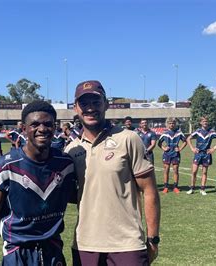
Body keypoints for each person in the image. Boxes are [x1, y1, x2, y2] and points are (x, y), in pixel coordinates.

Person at [65, 80, 160, 265]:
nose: (90, 108)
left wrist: (153, 238)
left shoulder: (128, 139)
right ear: (76, 108)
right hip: (85, 244)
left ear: (106, 104)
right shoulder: (71, 149)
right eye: (84, 103)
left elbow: (149, 191)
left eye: (96, 102)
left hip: (127, 244)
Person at [0, 101, 77, 266]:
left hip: (53, 249)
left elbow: (75, 195)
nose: (42, 129)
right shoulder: (7, 165)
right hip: (18, 251)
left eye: (48, 124)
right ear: (24, 129)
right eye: (35, 124)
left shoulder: (65, 164)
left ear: (54, 128)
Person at [185, 117, 216, 195]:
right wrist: (192, 148)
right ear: (201, 123)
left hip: (206, 154)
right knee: (194, 171)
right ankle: (192, 188)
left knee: (204, 172)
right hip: (198, 154)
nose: (205, 122)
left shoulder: (211, 132)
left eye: (206, 121)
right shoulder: (198, 131)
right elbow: (188, 138)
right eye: (203, 121)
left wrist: (214, 148)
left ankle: (202, 189)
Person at [158, 117, 187, 194]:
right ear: (167, 124)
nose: (171, 125)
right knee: (166, 170)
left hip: (175, 154)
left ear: (175, 124)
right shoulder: (164, 133)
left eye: (173, 123)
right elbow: (159, 143)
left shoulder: (179, 133)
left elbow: (185, 141)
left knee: (175, 170)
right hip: (167, 154)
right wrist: (164, 148)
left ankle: (175, 187)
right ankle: (166, 187)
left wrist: (180, 148)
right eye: (170, 123)